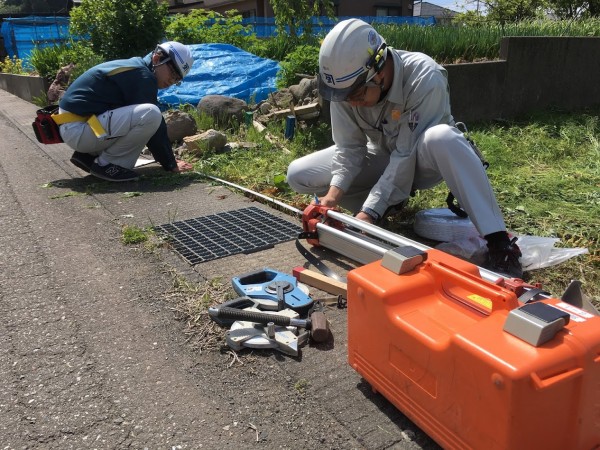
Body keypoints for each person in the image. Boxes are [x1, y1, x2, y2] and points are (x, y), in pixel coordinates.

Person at [286, 19, 523, 278]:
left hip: (424, 161)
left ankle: (500, 242)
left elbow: (405, 154)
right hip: (382, 155)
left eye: (357, 94)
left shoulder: (424, 77)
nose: (351, 104)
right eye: (345, 97)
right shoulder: (347, 86)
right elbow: (349, 148)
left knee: (442, 137)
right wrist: (332, 198)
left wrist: (370, 211)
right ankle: (383, 206)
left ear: (378, 70)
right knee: (299, 173)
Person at [58, 41, 194, 182]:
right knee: (151, 114)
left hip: (78, 126)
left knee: (142, 115)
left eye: (177, 78)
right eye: (173, 72)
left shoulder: (135, 67)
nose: (172, 80)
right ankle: (108, 164)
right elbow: (156, 127)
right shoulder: (143, 76)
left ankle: (89, 156)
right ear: (157, 58)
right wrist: (171, 163)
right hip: (79, 130)